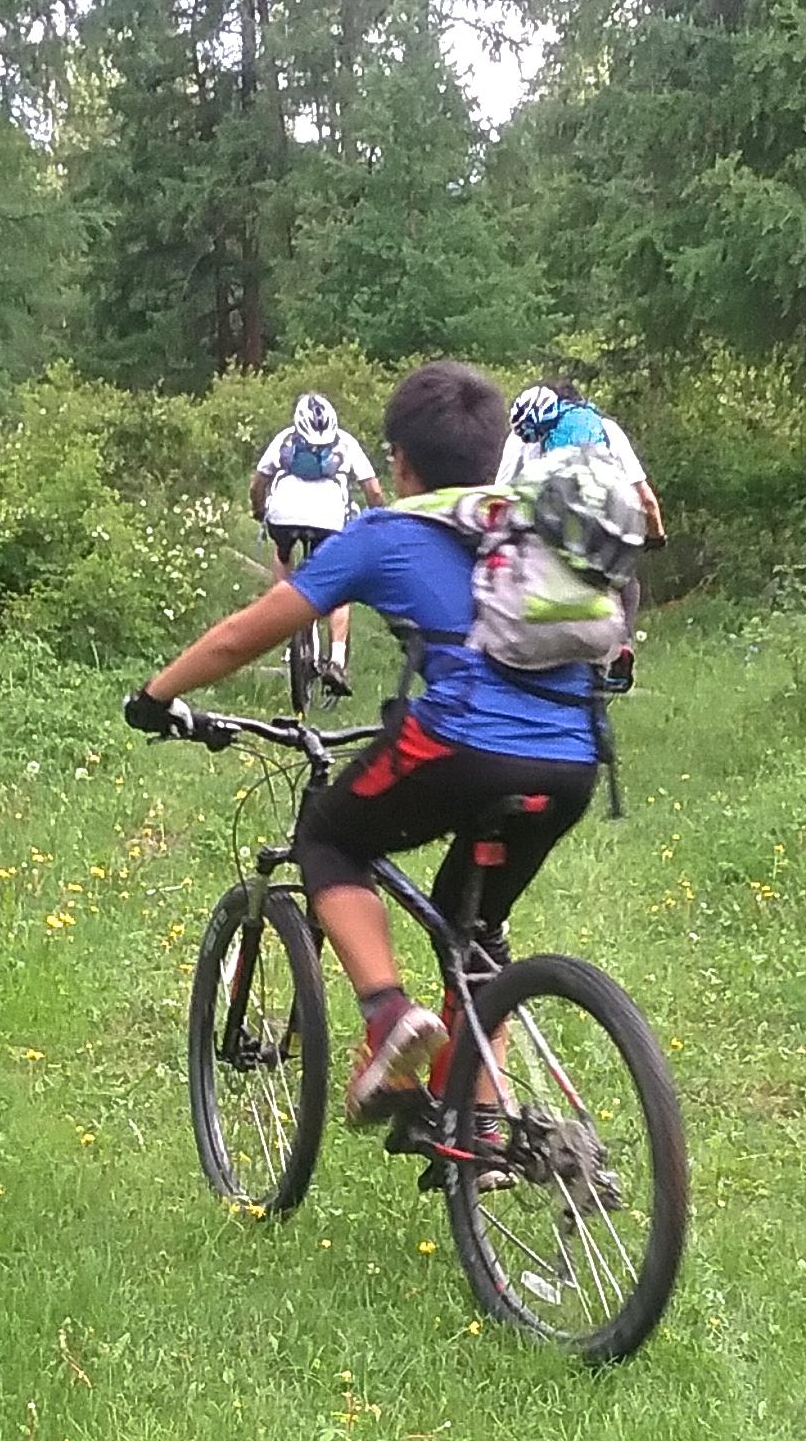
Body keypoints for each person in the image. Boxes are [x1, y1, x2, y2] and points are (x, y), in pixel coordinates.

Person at [128, 361, 600, 1130]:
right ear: (493, 457)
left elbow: (247, 633)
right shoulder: (538, 525)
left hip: (461, 745)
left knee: (329, 837)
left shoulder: (387, 534)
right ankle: (482, 1127)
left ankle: (387, 1015)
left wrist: (155, 698)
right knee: (471, 927)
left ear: (400, 462)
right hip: (575, 758)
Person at [499, 379, 665, 689]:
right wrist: (655, 534)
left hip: (548, 523)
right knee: (624, 578)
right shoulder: (605, 427)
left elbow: (503, 489)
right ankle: (623, 643)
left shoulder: (521, 435)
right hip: (606, 520)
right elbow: (643, 494)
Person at [249, 393, 382, 697]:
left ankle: (284, 610)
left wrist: (259, 510)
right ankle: (336, 660)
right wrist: (379, 518)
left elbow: (258, 483)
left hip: (283, 517)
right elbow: (373, 490)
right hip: (329, 520)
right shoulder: (346, 443)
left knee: (283, 554)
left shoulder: (284, 439)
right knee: (340, 588)